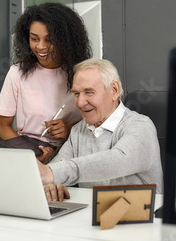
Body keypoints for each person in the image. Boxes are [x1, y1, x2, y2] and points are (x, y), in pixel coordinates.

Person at [37, 58, 164, 201]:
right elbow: (56, 171)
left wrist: (52, 173)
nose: (79, 102)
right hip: (92, 216)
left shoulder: (141, 126)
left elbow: (118, 161)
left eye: (89, 92)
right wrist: (51, 184)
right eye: (77, 94)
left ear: (114, 90)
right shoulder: (78, 130)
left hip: (140, 218)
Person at [0, 3, 92, 162]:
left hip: (72, 149)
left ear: (66, 40)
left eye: (49, 40)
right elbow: (2, 126)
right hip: (28, 149)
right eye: (34, 38)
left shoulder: (82, 73)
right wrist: (31, 152)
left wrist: (68, 129)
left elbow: (99, 122)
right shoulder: (17, 74)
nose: (41, 46)